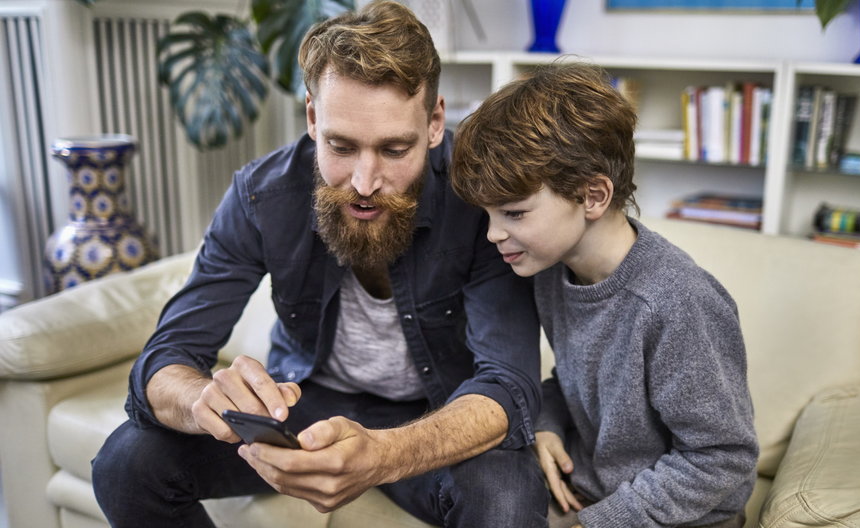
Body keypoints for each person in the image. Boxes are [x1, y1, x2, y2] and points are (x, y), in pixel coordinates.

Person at [91, 2, 548, 526]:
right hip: (303, 403)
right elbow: (166, 357)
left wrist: (383, 454)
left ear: (435, 122)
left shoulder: (478, 197)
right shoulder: (263, 197)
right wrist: (201, 398)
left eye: (395, 149)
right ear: (312, 117)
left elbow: (507, 386)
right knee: (127, 464)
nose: (364, 181)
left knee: (507, 501)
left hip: (439, 408)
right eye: (341, 146)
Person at [450, 62, 759, 528]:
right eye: (489, 215)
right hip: (592, 497)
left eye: (514, 213)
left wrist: (596, 523)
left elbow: (722, 458)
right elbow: (578, 382)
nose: (493, 234)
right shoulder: (553, 271)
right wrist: (548, 424)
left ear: (593, 195)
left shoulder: (676, 302)